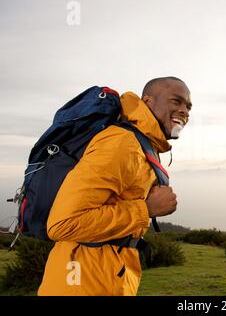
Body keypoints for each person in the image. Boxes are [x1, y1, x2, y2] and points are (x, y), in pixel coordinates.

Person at [38, 77, 192, 296]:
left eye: (188, 106)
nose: (184, 110)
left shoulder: (143, 146)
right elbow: (63, 223)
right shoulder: (121, 143)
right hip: (80, 282)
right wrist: (145, 210)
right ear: (148, 101)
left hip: (105, 276)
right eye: (176, 101)